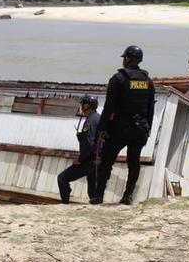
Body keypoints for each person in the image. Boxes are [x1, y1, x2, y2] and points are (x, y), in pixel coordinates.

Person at [92, 45, 155, 205]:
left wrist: (102, 128)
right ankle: (128, 196)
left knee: (106, 161)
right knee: (134, 161)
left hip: (120, 128)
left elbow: (109, 107)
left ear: (128, 58)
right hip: (141, 129)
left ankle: (99, 195)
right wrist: (148, 130)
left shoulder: (118, 79)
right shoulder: (148, 81)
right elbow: (150, 109)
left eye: (124, 58)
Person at [57, 95, 100, 204]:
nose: (81, 106)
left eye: (82, 104)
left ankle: (65, 203)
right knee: (93, 186)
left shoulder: (90, 122)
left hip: (90, 160)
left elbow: (89, 145)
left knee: (62, 178)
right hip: (98, 159)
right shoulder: (98, 118)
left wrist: (80, 160)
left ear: (86, 105)